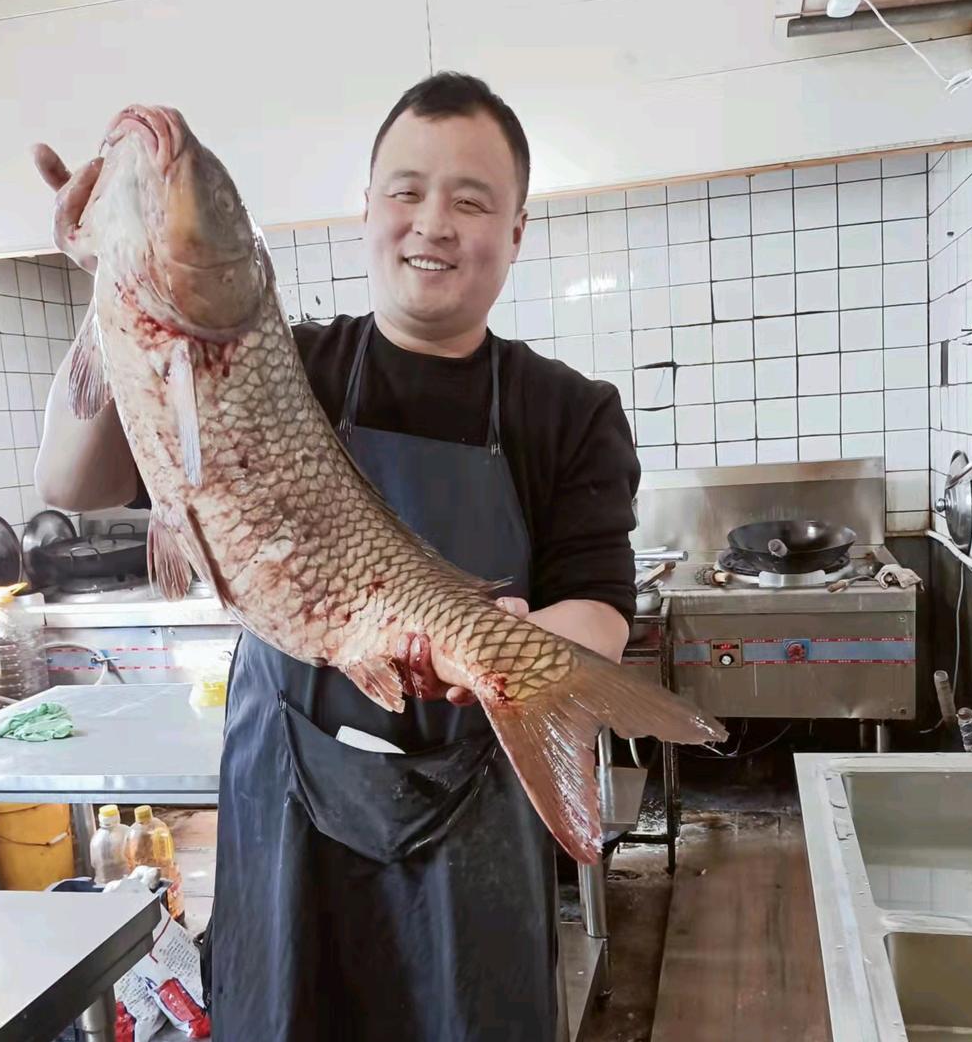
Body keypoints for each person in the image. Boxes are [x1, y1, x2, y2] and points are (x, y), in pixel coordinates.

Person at [33, 72, 640, 1041]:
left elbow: (600, 604)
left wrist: (519, 650)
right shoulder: (284, 364)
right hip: (285, 804)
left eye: (471, 200)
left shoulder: (566, 409)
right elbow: (75, 484)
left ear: (516, 230)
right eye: (405, 191)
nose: (432, 222)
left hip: (474, 806)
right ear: (367, 211)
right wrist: (109, 280)